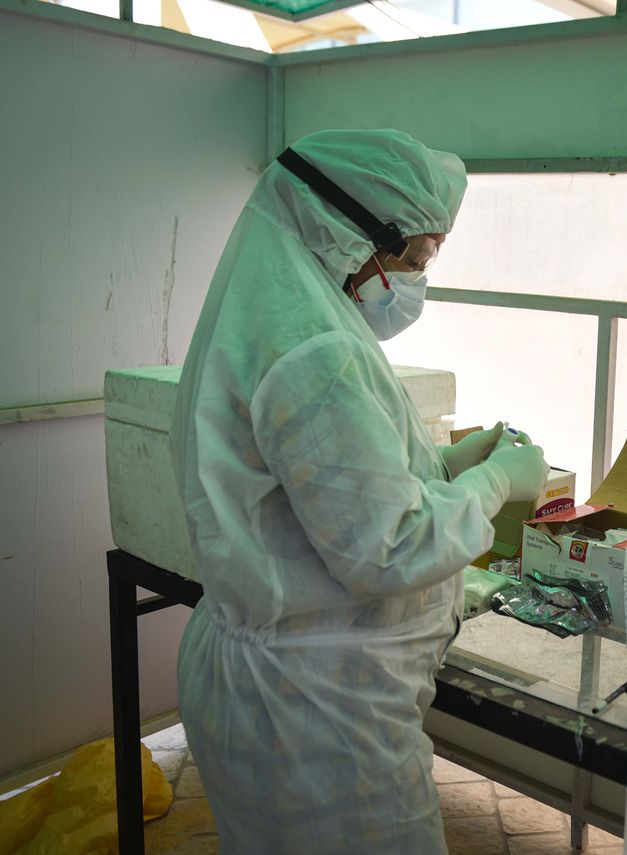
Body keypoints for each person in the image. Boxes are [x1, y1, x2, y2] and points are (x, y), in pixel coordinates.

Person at [169, 128, 547, 853]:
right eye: (416, 257)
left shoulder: (284, 302)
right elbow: (389, 545)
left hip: (272, 676)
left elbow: (325, 479)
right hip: (316, 713)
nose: (415, 279)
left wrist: (443, 462)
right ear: (348, 228)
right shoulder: (317, 346)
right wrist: (495, 480)